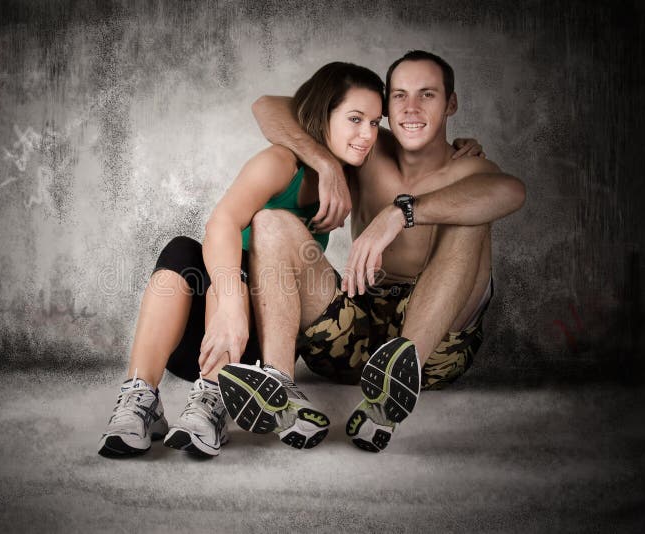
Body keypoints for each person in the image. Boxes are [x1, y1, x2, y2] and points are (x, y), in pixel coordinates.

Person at [218, 50, 526, 452]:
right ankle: (280, 387)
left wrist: (400, 213)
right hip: (357, 330)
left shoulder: (472, 169)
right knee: (269, 222)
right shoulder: (367, 146)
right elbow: (267, 107)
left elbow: (511, 191)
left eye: (427, 95)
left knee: (471, 215)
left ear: (451, 103)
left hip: (433, 346)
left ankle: (392, 387)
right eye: (399, 95)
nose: (411, 108)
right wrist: (325, 164)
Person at [97, 62, 387, 457]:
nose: (367, 133)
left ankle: (211, 403)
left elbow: (417, 164)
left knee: (245, 265)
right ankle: (139, 400)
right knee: (185, 251)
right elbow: (222, 223)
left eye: (375, 121)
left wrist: (460, 151)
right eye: (355, 119)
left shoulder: (359, 171)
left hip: (258, 346)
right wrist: (231, 307)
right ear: (324, 116)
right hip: (212, 330)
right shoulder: (282, 163)